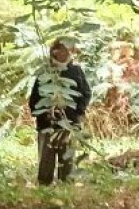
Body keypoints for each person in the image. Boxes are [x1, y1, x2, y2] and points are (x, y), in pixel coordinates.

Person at [29, 38, 92, 185]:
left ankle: (66, 187)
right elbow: (35, 98)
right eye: (62, 49)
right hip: (47, 124)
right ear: (55, 51)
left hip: (69, 123)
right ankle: (44, 188)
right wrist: (43, 114)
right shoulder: (45, 72)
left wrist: (77, 112)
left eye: (68, 50)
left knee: (67, 160)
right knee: (46, 160)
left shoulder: (76, 71)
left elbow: (86, 93)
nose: (65, 53)